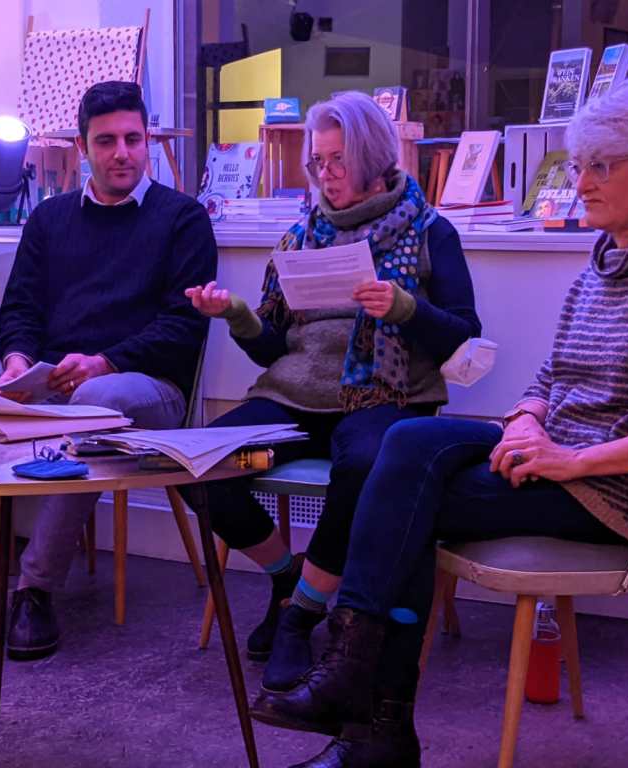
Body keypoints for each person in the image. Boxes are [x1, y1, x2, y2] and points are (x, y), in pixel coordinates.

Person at [253, 78, 628, 768]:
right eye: (581, 165)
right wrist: (526, 421)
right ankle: (359, 694)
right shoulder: (600, 267)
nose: (582, 183)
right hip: (556, 458)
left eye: (602, 166)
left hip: (619, 492)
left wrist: (573, 461)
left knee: (405, 503)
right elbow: (550, 378)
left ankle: (366, 713)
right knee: (407, 441)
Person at [0, 81, 216, 660]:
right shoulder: (49, 218)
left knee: (98, 398)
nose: (122, 153)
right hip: (50, 379)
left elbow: (183, 328)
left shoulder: (182, 218)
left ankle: (36, 588)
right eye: (107, 141)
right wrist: (17, 361)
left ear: (147, 140)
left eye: (133, 139)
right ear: (83, 148)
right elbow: (18, 308)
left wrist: (103, 361)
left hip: (143, 388)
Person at [182, 91, 481, 692]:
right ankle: (288, 578)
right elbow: (272, 349)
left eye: (338, 159)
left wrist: (405, 308)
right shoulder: (300, 237)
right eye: (317, 161)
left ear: (372, 156)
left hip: (384, 398)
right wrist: (237, 314)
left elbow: (464, 334)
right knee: (202, 463)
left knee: (365, 467)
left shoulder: (429, 231)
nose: (325, 173)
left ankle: (300, 618)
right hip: (293, 404)